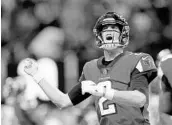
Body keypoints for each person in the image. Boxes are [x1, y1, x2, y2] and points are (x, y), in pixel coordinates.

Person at [23, 12, 157, 125]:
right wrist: (36, 75)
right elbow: (62, 101)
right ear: (99, 37)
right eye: (105, 30)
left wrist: (105, 92)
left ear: (123, 36)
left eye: (114, 29)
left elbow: (140, 99)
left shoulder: (138, 60)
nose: (109, 33)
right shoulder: (91, 68)